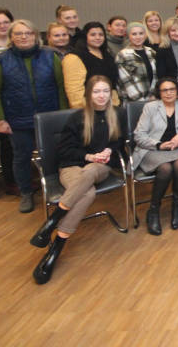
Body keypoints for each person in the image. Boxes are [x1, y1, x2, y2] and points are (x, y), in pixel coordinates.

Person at [29, 76, 124, 284]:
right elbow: (65, 151)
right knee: (87, 192)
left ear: (111, 93)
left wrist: (108, 150)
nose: (101, 96)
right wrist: (88, 156)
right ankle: (56, 248)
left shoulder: (116, 115)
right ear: (89, 94)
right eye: (96, 91)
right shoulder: (78, 118)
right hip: (71, 167)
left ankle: (53, 220)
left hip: (100, 168)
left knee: (91, 171)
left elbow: (119, 144)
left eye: (105, 91)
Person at [0, 20, 67, 213]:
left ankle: (56, 189)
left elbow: (61, 87)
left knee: (54, 156)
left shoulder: (50, 56)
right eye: (19, 33)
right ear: (11, 37)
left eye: (28, 33)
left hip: (49, 118)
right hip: (18, 118)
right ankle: (26, 193)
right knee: (21, 157)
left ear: (35, 36)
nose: (24, 37)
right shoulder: (1, 60)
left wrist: (64, 116)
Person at [132, 77, 178, 234]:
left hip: (175, 148)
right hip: (152, 150)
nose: (169, 93)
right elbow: (139, 135)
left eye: (172, 89)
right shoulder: (150, 107)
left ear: (177, 91)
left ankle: (176, 206)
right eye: (165, 90)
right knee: (165, 169)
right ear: (159, 92)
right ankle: (154, 210)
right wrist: (158, 144)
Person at [62, 22, 120, 109]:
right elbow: (75, 93)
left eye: (101, 35)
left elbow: (113, 85)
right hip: (88, 110)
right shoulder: (74, 57)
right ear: (85, 37)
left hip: (110, 107)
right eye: (93, 35)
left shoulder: (107, 55)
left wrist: (115, 105)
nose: (97, 38)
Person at [115, 22, 157, 102]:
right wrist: (141, 101)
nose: (138, 37)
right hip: (133, 101)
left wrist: (155, 96)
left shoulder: (151, 52)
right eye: (134, 34)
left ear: (145, 35)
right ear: (128, 36)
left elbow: (156, 77)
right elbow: (125, 81)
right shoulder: (122, 55)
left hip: (153, 99)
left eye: (141, 33)